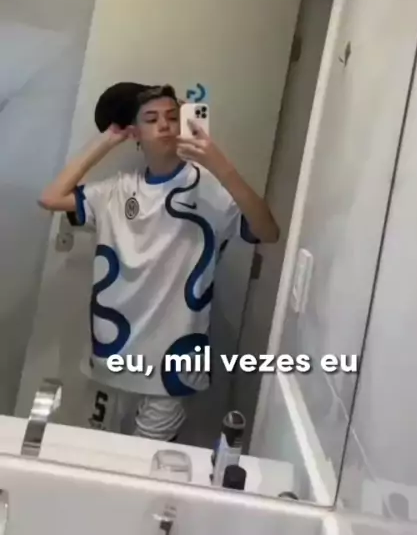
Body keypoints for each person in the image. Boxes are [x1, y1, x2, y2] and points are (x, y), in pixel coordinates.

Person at [38, 83, 279, 441]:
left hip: (172, 368)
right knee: (97, 457)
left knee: (145, 467)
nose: (164, 124)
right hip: (112, 357)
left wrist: (219, 163)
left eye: (172, 117)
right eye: (151, 119)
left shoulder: (208, 187)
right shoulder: (116, 190)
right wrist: (107, 141)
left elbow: (268, 231)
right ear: (135, 133)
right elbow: (50, 198)